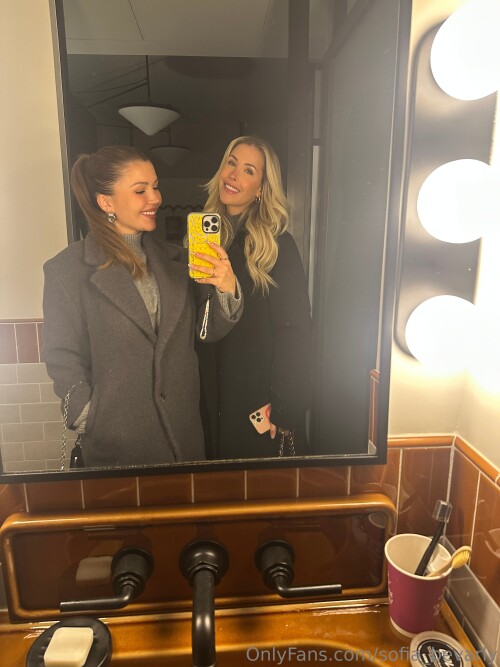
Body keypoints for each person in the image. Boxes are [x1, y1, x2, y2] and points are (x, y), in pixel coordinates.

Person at [43, 145, 242, 468]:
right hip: (116, 444)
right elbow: (61, 354)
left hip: (184, 440)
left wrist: (225, 287)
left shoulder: (177, 260)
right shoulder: (67, 271)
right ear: (106, 202)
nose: (156, 198)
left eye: (156, 187)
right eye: (140, 190)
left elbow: (208, 332)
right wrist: (87, 414)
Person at [196, 136, 312, 459]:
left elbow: (294, 331)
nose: (234, 175)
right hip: (208, 391)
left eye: (248, 170)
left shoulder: (277, 246)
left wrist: (285, 407)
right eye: (231, 163)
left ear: (261, 188)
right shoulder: (203, 240)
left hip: (257, 398)